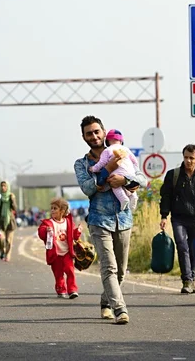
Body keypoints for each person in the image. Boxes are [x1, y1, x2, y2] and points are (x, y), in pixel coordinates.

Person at [74, 115, 147, 325]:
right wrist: (108, 169)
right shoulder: (82, 164)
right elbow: (88, 188)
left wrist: (126, 179)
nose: (94, 136)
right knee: (109, 267)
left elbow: (141, 177)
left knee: (121, 270)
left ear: (104, 133)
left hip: (123, 219)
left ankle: (106, 302)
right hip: (99, 221)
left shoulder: (122, 152)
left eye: (97, 131)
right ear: (84, 137)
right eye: (89, 133)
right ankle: (120, 309)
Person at [159, 144, 195, 294]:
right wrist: (164, 215)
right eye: (186, 157)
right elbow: (166, 196)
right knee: (182, 246)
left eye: (192, 158)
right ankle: (186, 280)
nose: (188, 161)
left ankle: (193, 278)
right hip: (178, 218)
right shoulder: (174, 175)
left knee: (194, 249)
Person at [37, 198, 82, 299]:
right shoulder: (48, 223)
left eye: (55, 208)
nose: (52, 210)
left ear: (62, 211)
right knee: (58, 274)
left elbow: (73, 236)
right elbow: (41, 233)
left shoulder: (68, 222)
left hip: (67, 252)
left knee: (70, 271)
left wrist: (78, 231)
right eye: (51, 208)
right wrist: (46, 231)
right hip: (55, 254)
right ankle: (61, 289)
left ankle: (72, 290)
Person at [89, 129, 139, 211]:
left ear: (107, 141)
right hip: (130, 172)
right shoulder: (126, 149)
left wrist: (93, 169)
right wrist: (134, 169)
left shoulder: (107, 150)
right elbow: (134, 161)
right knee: (130, 185)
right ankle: (134, 196)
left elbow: (101, 163)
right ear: (121, 140)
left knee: (114, 185)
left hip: (116, 174)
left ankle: (123, 199)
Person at [0, 180, 17, 261]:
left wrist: (12, 200)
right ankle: (2, 251)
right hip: (0, 220)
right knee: (0, 238)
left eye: (5, 186)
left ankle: (7, 254)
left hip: (10, 221)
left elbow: (15, 208)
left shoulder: (11, 196)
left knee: (8, 240)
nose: (3, 187)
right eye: (2, 186)